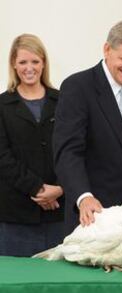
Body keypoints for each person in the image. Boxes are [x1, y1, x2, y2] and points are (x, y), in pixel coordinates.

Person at [53, 20, 122, 235]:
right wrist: (83, 197)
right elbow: (68, 152)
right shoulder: (78, 87)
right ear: (106, 50)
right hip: (96, 215)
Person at [0, 34, 64, 256]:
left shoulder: (63, 100)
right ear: (13, 65)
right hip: (16, 217)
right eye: (23, 62)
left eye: (35, 61)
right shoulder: (2, 105)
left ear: (43, 63)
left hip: (60, 212)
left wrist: (59, 188)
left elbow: (75, 149)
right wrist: (37, 188)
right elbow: (2, 158)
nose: (29, 68)